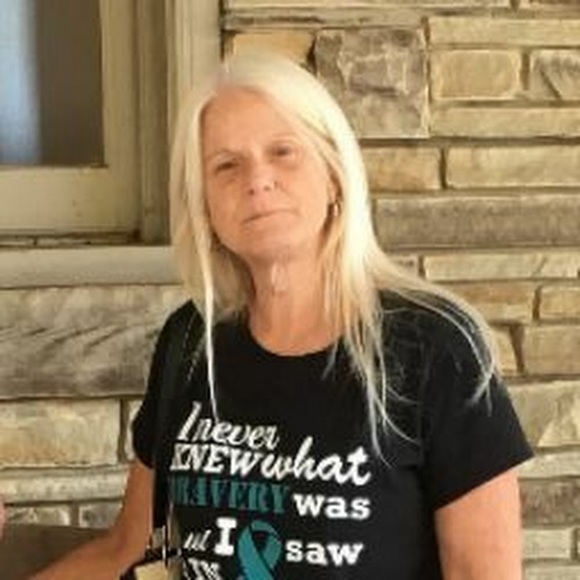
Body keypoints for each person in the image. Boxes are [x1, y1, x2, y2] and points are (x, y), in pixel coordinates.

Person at [33, 52, 532, 579]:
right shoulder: (190, 342)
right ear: (204, 206)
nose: (257, 180)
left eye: (283, 152)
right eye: (226, 165)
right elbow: (125, 547)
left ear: (334, 175)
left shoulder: (434, 348)